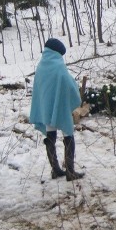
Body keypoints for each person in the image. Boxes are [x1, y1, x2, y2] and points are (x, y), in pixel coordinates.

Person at [29, 38, 85, 181]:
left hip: (46, 109)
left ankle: (55, 169)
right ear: (57, 52)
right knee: (68, 135)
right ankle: (70, 171)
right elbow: (68, 84)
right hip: (60, 107)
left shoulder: (40, 66)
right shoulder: (58, 66)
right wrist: (76, 93)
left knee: (50, 135)